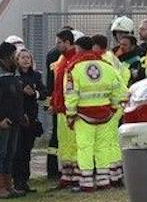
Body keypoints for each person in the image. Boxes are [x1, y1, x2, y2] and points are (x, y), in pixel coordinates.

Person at [64, 33, 127, 191]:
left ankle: (86, 182)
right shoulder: (107, 66)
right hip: (106, 114)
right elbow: (119, 90)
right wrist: (112, 108)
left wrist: (71, 115)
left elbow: (71, 95)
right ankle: (103, 180)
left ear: (78, 49)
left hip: (82, 116)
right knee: (103, 147)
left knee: (85, 147)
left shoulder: (73, 68)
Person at [0, 42, 26, 198]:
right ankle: (0, 186)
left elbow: (16, 96)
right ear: (8, 56)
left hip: (14, 119)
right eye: (15, 55)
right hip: (1, 121)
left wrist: (21, 115)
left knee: (10, 153)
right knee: (0, 153)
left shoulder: (13, 72)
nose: (17, 58)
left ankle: (9, 185)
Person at [50, 30, 87, 188]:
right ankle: (67, 175)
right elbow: (58, 85)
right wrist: (54, 102)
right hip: (61, 109)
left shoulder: (75, 60)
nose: (56, 45)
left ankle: (77, 176)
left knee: (74, 144)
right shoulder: (62, 60)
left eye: (59, 42)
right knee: (64, 144)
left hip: (70, 110)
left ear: (67, 42)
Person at [43, 27, 75, 181]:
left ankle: (58, 170)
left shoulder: (61, 57)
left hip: (65, 104)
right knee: (61, 138)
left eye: (59, 42)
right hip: (62, 105)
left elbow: (52, 84)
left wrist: (51, 102)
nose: (56, 45)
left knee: (59, 138)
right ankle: (65, 171)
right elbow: (55, 84)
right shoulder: (59, 57)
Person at [15, 47, 46, 192]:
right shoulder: (15, 76)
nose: (26, 60)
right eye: (23, 57)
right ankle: (17, 181)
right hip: (18, 118)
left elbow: (44, 92)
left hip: (32, 119)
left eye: (28, 57)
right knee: (18, 151)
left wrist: (34, 94)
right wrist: (21, 91)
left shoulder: (36, 76)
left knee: (27, 151)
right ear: (17, 60)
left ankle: (25, 182)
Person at [111, 15, 143, 85]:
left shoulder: (140, 52)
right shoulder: (114, 52)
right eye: (117, 33)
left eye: (122, 32)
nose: (119, 35)